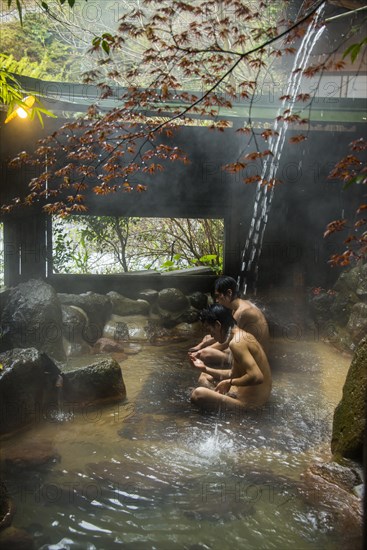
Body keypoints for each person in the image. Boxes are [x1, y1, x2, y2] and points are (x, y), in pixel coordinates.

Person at [190, 304, 271, 412]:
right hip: (251, 395)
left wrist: (230, 382)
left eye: (210, 330)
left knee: (198, 394)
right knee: (204, 376)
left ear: (218, 325)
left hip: (252, 404)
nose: (212, 336)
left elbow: (257, 377)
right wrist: (205, 369)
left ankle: (223, 403)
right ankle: (220, 397)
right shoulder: (242, 335)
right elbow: (234, 374)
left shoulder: (237, 343)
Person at [189, 276, 269, 365]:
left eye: (218, 296)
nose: (216, 300)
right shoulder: (240, 306)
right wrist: (200, 346)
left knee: (205, 354)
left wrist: (201, 351)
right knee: (207, 337)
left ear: (229, 293)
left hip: (255, 357)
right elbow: (226, 334)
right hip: (248, 348)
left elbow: (227, 341)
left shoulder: (242, 312)